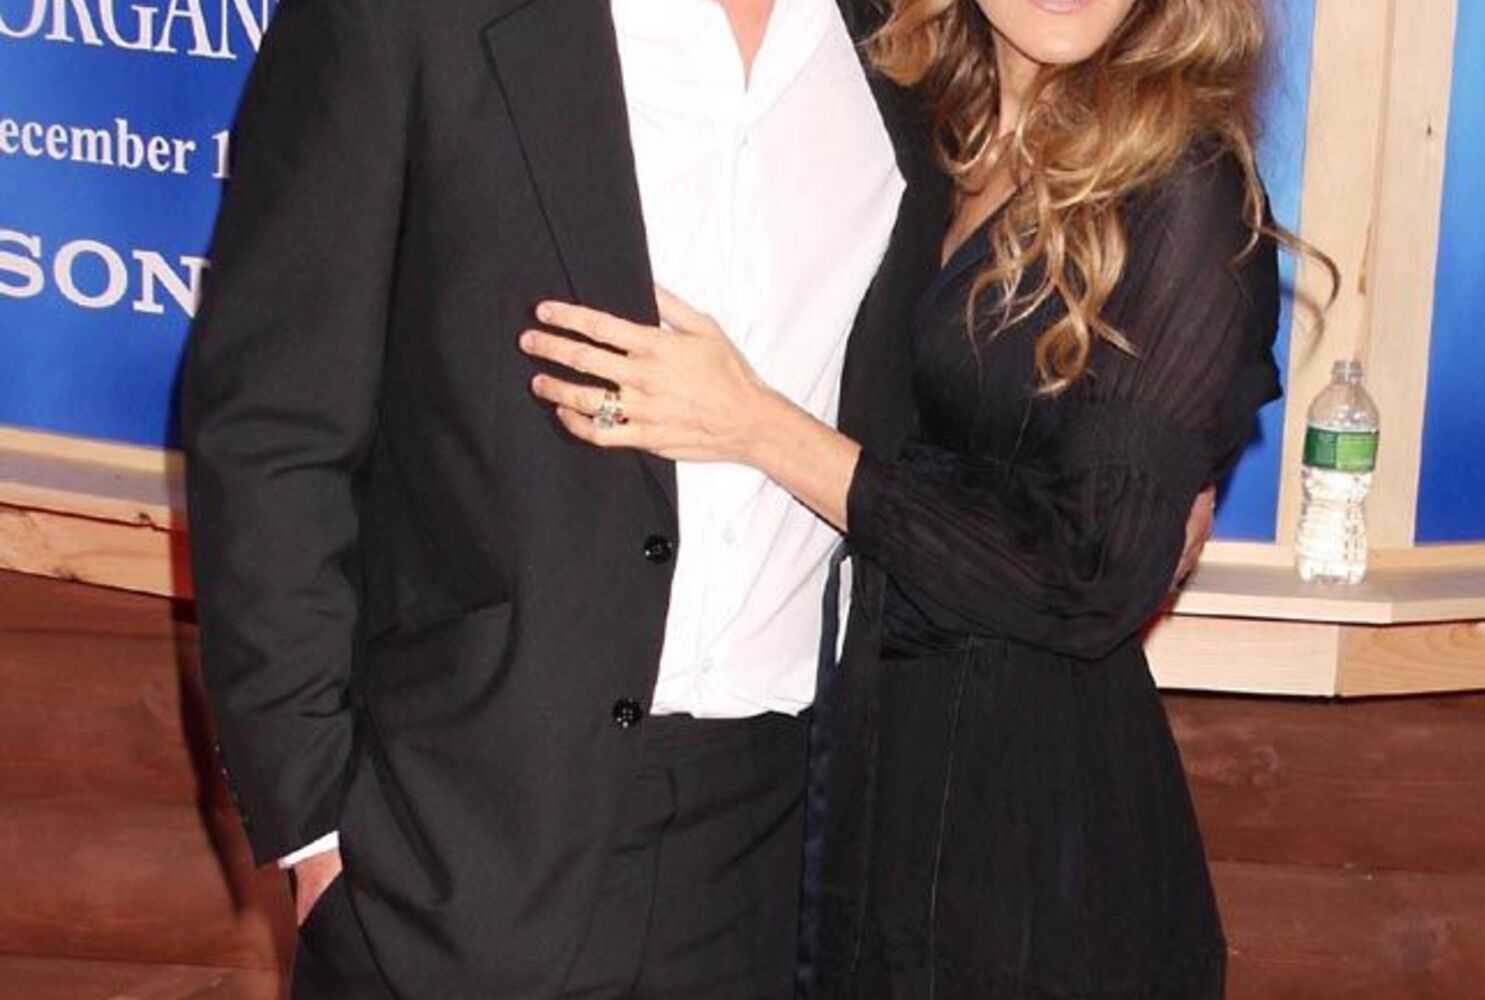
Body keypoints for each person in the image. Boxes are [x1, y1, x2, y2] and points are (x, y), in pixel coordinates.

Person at [519, 0, 1303, 996]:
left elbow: (1092, 572)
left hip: (1036, 844)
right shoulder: (929, 132)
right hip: (856, 793)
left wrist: (754, 424)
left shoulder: (1183, 184)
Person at [180, 0, 952, 994]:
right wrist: (318, 831)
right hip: (460, 834)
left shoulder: (916, 36)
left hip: (782, 843)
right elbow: (271, 424)